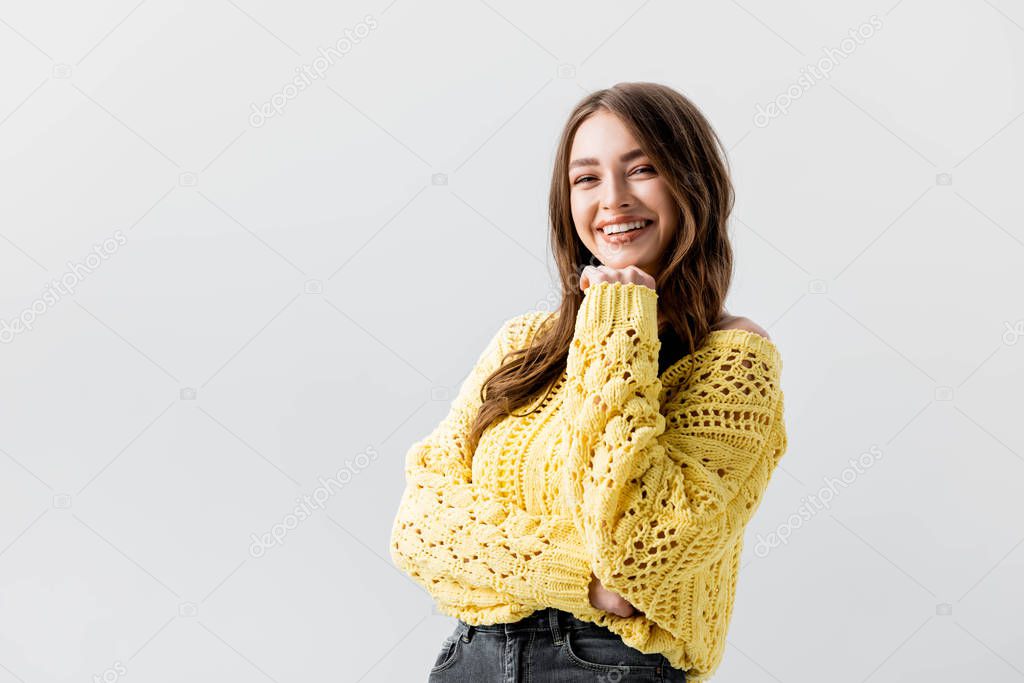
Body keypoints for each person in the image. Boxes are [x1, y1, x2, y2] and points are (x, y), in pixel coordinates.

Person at [389, 81, 788, 682]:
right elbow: (419, 523)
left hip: (607, 665)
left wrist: (620, 323)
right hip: (467, 661)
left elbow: (639, 548)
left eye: (643, 169)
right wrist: (582, 579)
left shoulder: (732, 358)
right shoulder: (524, 343)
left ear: (693, 185)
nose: (614, 200)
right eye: (587, 178)